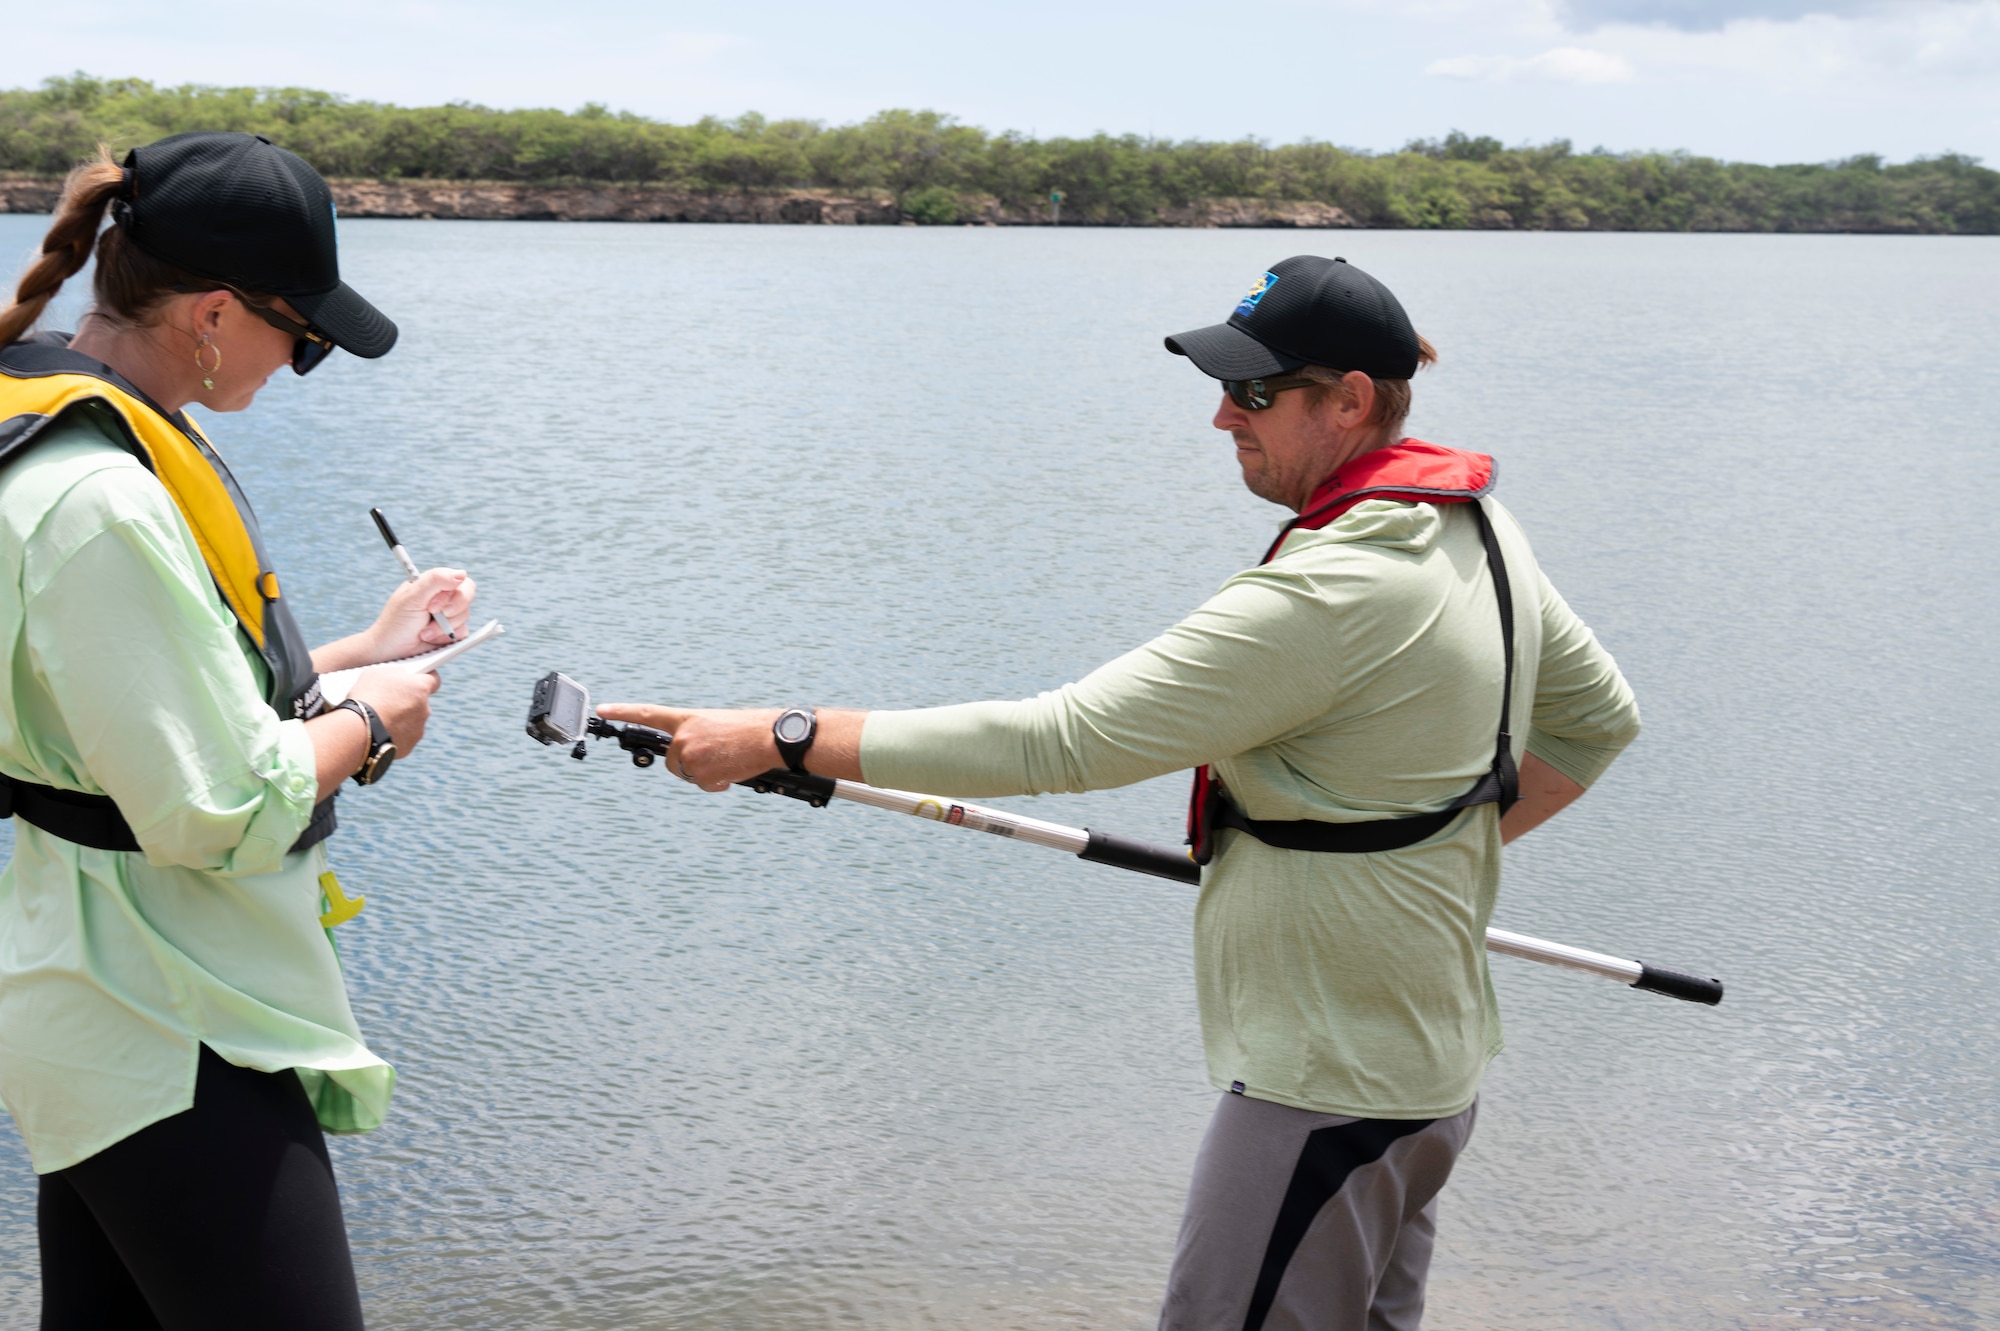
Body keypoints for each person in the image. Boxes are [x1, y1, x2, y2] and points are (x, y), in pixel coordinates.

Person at [597, 253, 1640, 1330]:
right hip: (1424, 1067)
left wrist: (787, 735)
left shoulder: (1335, 588)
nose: (1221, 419)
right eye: (1222, 387)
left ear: (1350, 400)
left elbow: (1063, 735)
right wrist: (1413, 855)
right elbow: (1594, 724)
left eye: (1252, 392)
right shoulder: (1475, 529)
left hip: (1322, 1085)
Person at [0, 132, 474, 1329]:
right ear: (212, 312)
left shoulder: (58, 437)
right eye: (300, 337)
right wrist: (372, 721)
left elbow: (126, 713)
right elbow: (211, 802)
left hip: (94, 990)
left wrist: (364, 649)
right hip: (170, 1015)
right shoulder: (101, 498)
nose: (305, 358)